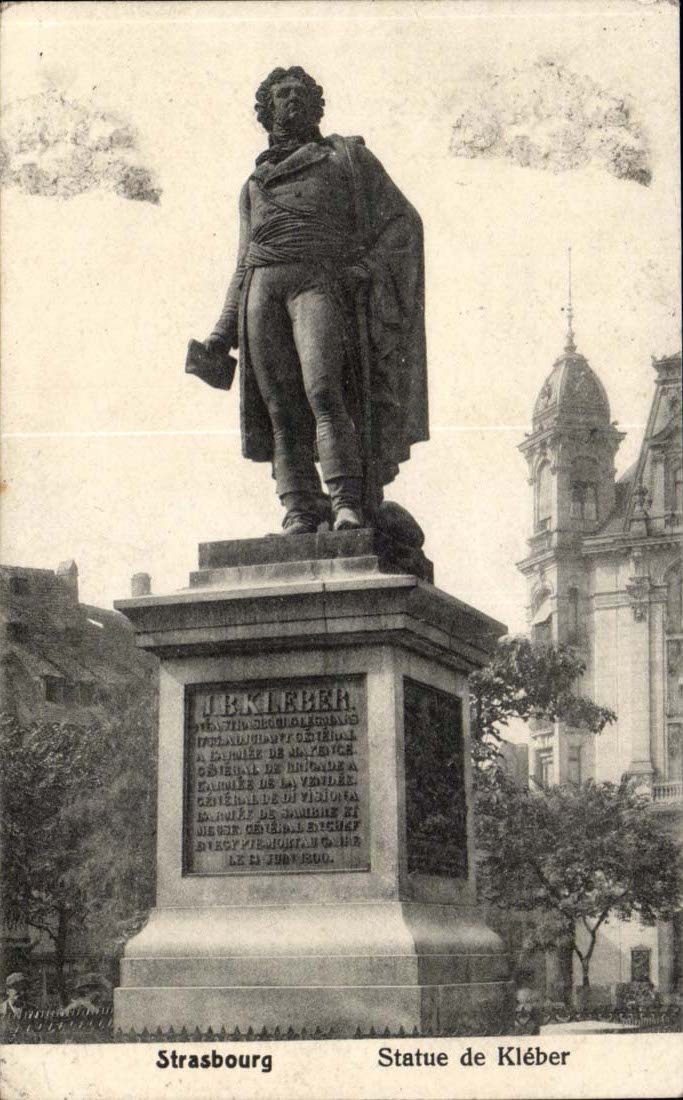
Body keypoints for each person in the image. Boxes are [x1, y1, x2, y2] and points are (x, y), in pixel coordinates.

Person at [200, 66, 428, 535]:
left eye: (300, 93)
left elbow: (404, 221)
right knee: (282, 408)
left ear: (315, 106)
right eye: (281, 95)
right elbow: (244, 261)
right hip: (263, 289)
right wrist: (222, 331)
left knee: (324, 391)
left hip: (317, 282)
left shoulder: (345, 159)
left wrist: (368, 266)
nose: (291, 101)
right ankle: (300, 508)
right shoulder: (253, 185)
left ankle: (346, 502)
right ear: (266, 111)